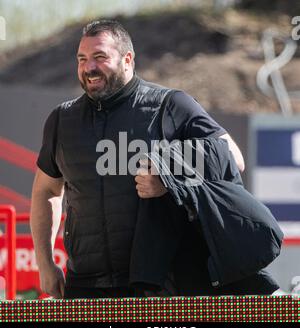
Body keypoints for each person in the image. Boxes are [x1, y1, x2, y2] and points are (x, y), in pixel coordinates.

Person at [30, 19, 279, 299]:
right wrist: (46, 263)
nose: (89, 68)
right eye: (82, 59)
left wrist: (167, 174)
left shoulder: (169, 104)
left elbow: (232, 155)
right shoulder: (62, 120)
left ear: (127, 59)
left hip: (157, 285)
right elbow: (47, 190)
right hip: (84, 284)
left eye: (100, 57)